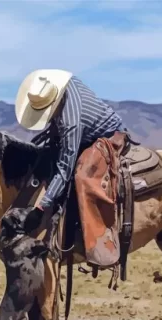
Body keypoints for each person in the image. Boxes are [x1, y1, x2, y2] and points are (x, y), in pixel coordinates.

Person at [14, 69, 125, 233]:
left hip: (106, 134)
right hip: (85, 129)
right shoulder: (62, 84)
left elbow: (64, 168)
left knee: (80, 176)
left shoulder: (70, 123)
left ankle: (93, 233)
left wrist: (41, 208)